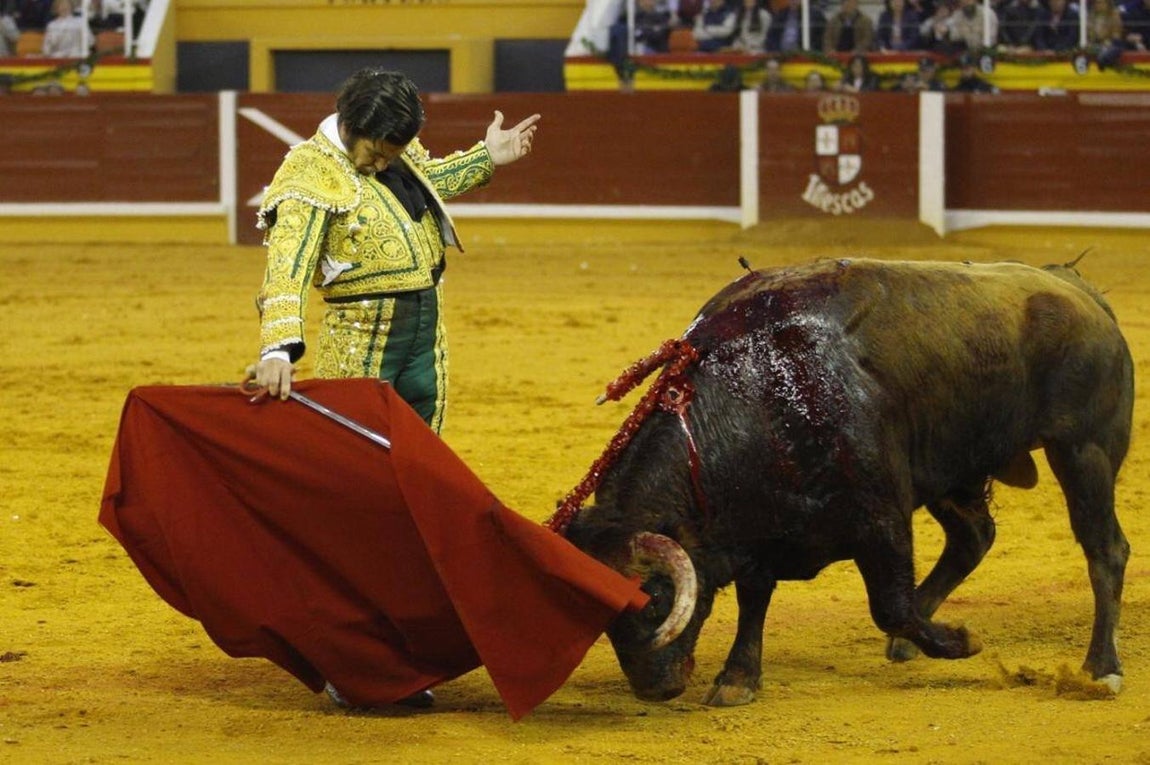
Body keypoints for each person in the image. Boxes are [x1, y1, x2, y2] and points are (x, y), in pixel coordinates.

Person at [250, 68, 540, 439]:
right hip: (362, 333)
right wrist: (276, 351)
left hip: (427, 323)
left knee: (421, 444)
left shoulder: (388, 149)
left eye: (393, 156)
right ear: (350, 127)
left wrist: (485, 157)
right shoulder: (308, 173)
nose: (383, 165)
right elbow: (288, 266)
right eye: (375, 154)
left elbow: (426, 181)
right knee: (353, 445)